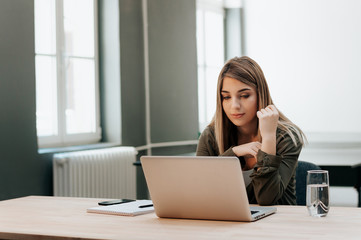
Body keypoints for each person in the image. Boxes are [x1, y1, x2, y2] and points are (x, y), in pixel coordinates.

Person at [196, 56, 306, 205]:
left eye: (244, 96)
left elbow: (266, 198)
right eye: (226, 97)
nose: (234, 105)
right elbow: (199, 191)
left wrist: (268, 138)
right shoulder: (210, 136)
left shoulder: (286, 137)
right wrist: (234, 152)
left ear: (260, 94)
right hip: (226, 225)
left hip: (277, 224)